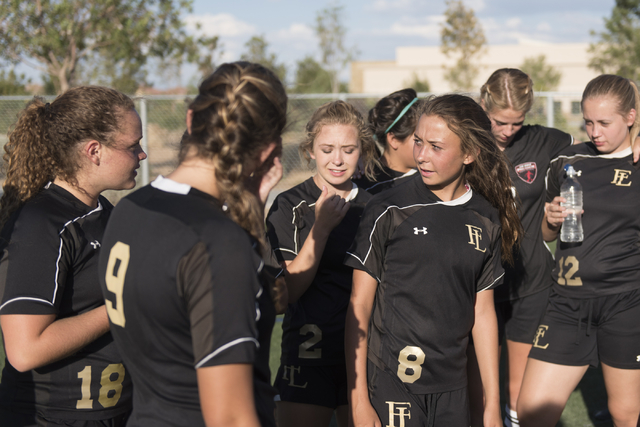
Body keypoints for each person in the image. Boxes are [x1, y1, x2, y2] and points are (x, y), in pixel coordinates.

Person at [97, 62, 287, 427]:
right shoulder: (216, 243)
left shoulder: (131, 209)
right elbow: (229, 416)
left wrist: (248, 215)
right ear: (267, 151)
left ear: (190, 120)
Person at [345, 94, 521, 427]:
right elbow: (359, 306)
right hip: (392, 383)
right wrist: (358, 403)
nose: (422, 156)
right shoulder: (387, 208)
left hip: (453, 391)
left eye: (436, 147)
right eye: (418, 142)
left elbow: (483, 314)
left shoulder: (485, 218)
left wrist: (491, 405)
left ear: (469, 153)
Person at [0, 86, 146, 426]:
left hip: (115, 412)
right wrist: (118, 308)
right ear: (94, 151)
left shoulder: (103, 212)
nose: (142, 155)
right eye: (132, 146)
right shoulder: (41, 224)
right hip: (49, 418)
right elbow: (25, 351)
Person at [517, 74, 640, 427]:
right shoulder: (567, 161)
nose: (594, 131)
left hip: (625, 302)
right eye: (588, 121)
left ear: (630, 117)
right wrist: (551, 219)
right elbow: (546, 233)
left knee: (624, 415)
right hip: (567, 303)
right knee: (532, 412)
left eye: (604, 122)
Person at [266, 100, 379, 427]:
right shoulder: (289, 204)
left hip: (364, 351)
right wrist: (322, 227)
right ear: (310, 150)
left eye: (348, 149)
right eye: (327, 149)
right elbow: (289, 293)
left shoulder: (377, 206)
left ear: (362, 150)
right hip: (308, 349)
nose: (338, 160)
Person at [474, 68, 575, 427]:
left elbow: (601, 152)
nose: (507, 131)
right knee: (477, 389)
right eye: (500, 121)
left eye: (517, 123)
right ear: (484, 104)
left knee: (518, 387)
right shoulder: (466, 141)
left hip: (529, 282)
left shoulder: (550, 142)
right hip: (474, 284)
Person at [353, 88, 419, 194]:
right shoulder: (364, 188)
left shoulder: (432, 177)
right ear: (393, 140)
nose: (427, 147)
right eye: (418, 140)